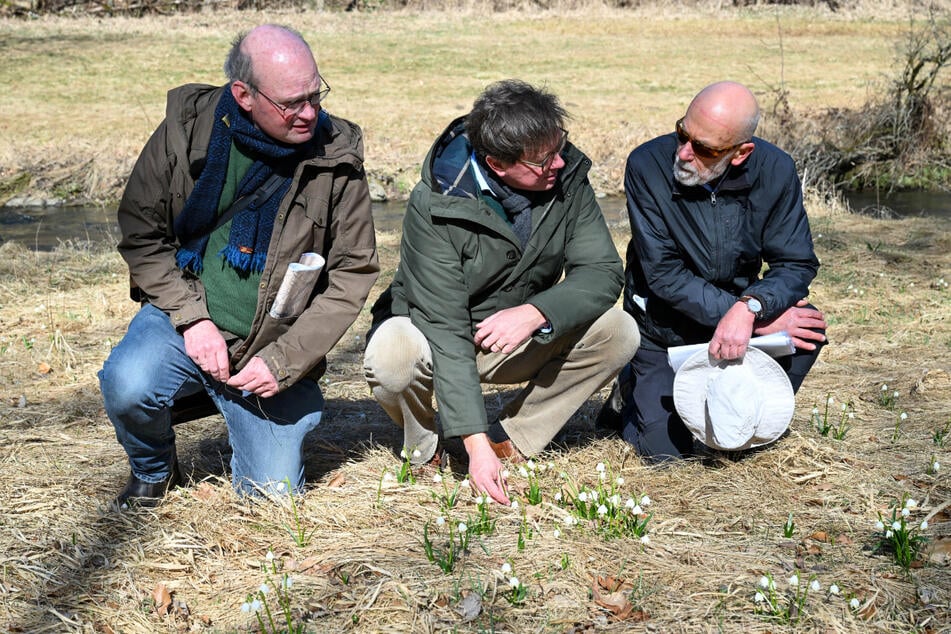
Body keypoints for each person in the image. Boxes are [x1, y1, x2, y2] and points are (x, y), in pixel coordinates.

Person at [99, 25, 379, 507]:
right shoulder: (186, 131)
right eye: (292, 102)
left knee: (272, 497)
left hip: (270, 344)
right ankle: (153, 467)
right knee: (127, 384)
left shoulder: (336, 155)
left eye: (316, 94)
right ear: (243, 95)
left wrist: (284, 361)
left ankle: (245, 399)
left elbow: (352, 274)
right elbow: (142, 234)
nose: (310, 113)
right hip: (188, 320)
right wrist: (192, 319)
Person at [364, 79, 639, 505]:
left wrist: (537, 311)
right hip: (435, 337)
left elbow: (602, 271)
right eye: (542, 160)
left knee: (619, 330)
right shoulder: (435, 202)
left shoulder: (565, 177)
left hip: (514, 335)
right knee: (391, 356)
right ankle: (425, 449)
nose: (559, 165)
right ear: (495, 163)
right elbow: (444, 325)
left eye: (559, 148)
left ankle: (512, 439)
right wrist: (471, 448)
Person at [604, 80, 827, 462]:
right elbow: (664, 276)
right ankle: (630, 392)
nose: (684, 153)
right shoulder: (647, 166)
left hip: (741, 323)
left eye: (704, 148)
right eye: (682, 133)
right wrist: (750, 318)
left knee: (805, 332)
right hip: (664, 328)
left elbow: (796, 262)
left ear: (741, 153)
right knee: (668, 456)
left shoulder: (776, 170)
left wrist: (752, 308)